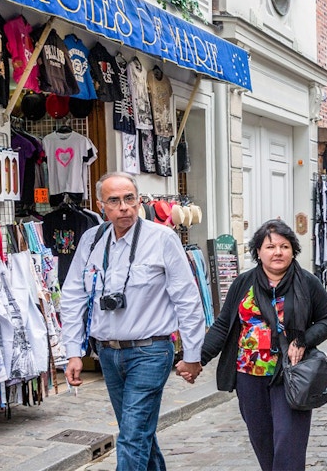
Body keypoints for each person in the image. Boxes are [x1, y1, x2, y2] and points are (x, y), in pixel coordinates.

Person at [60, 172, 206, 471]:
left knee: (132, 436)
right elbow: (73, 296)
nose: (124, 207)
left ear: (139, 200)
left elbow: (187, 299)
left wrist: (193, 355)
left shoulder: (162, 238)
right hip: (108, 353)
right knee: (137, 432)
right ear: (101, 206)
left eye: (129, 198)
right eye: (114, 201)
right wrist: (73, 352)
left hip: (151, 352)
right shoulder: (92, 240)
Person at [192, 219, 327, 470]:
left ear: (293, 250)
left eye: (284, 246)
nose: (278, 252)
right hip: (249, 375)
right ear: (258, 251)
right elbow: (223, 325)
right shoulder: (243, 283)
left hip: (290, 374)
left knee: (288, 443)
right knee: (262, 441)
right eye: (270, 247)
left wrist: (303, 340)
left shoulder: (307, 282)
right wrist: (197, 359)